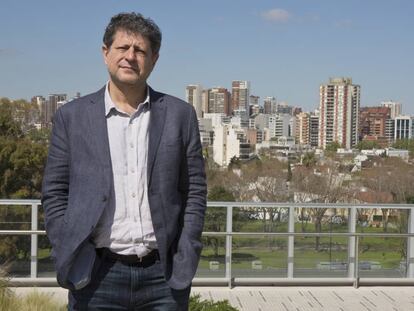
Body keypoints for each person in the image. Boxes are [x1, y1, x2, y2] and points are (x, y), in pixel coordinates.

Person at [42, 12, 207, 310]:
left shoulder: (180, 116)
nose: (130, 57)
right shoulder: (73, 117)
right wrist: (66, 246)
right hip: (95, 274)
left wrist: (187, 252)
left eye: (140, 50)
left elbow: (194, 189)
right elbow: (55, 191)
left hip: (164, 277)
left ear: (154, 59)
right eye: (122, 48)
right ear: (106, 53)